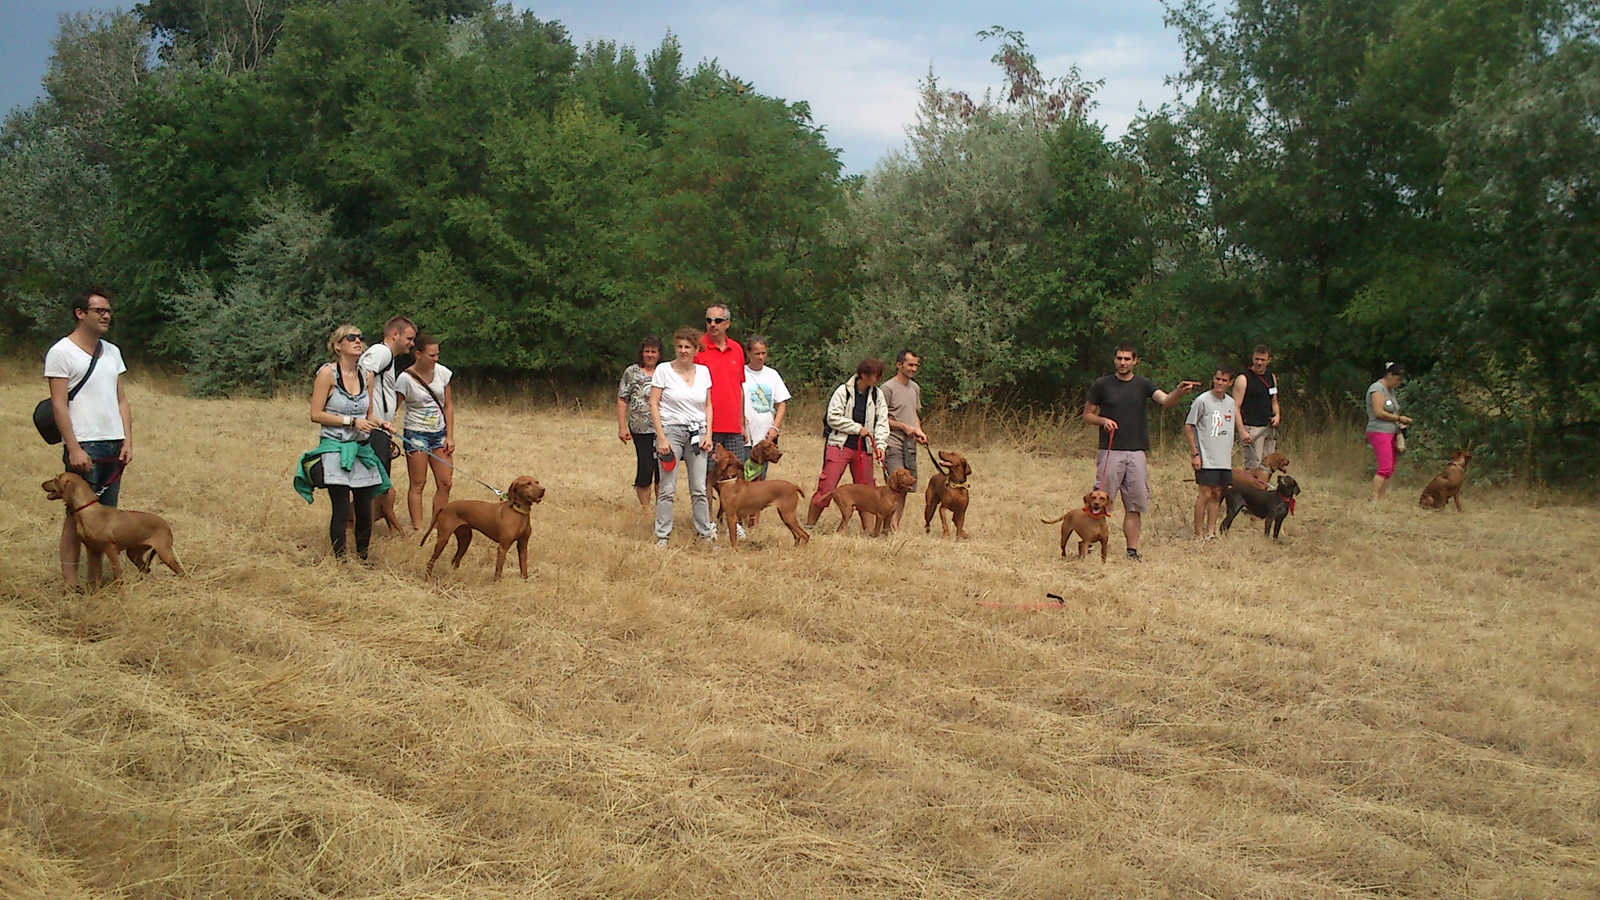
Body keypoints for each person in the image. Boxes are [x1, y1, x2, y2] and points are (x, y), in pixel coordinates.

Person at [44, 288, 132, 589]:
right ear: (80, 314)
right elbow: (58, 404)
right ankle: (71, 583)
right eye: (99, 311)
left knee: (104, 517)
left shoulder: (112, 351)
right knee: (76, 516)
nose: (106, 315)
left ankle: (96, 581)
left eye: (108, 310)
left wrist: (127, 440)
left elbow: (121, 400)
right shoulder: (61, 352)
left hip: (113, 442)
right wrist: (74, 447)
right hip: (84, 445)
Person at [1082, 343, 1201, 561]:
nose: (1123, 362)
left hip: (1137, 451)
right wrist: (1103, 420)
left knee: (1135, 504)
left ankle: (1132, 550)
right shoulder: (1102, 384)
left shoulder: (1143, 384)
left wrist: (1179, 391)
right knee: (1098, 502)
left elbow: (1165, 401)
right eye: (1119, 358)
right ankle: (1089, 543)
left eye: (1127, 359)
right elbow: (1087, 415)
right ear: (1114, 359)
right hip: (1111, 451)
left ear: (1135, 361)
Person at [302, 324, 391, 560]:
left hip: (361, 448)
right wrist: (350, 421)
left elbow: (369, 412)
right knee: (341, 507)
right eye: (351, 337)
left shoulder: (367, 375)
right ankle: (340, 560)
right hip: (335, 448)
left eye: (361, 337)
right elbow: (316, 414)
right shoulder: (327, 374)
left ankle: (363, 557)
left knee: (364, 507)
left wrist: (381, 424)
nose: (358, 341)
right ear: (337, 345)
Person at [650, 328, 715, 548]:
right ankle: (662, 535)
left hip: (697, 433)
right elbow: (654, 404)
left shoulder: (704, 372)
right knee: (667, 487)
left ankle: (705, 533)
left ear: (696, 349)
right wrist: (661, 438)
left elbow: (707, 405)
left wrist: (709, 434)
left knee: (699, 487)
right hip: (671, 431)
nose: (683, 351)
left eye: (688, 347)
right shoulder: (663, 370)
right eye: (679, 346)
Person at [806, 358, 890, 528]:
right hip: (840, 445)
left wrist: (880, 445)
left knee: (867, 489)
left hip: (864, 448)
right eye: (876, 376)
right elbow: (833, 418)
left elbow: (882, 421)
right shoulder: (843, 391)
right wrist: (856, 428)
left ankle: (868, 531)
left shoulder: (877, 395)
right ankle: (810, 524)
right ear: (864, 375)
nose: (878, 379)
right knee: (827, 485)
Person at [358, 315, 416, 533]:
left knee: (379, 483)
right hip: (374, 429)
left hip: (380, 428)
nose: (412, 343)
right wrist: (369, 410)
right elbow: (366, 372)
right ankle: (357, 527)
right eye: (409, 338)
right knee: (375, 484)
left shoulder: (388, 357)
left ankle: (366, 526)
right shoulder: (381, 352)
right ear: (395, 334)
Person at [396, 334, 455, 529]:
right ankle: (418, 528)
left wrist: (450, 435)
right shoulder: (405, 379)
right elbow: (394, 407)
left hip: (439, 433)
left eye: (437, 354)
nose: (436, 359)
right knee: (418, 482)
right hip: (416, 433)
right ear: (418, 354)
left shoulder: (443, 373)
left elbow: (448, 405)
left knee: (445, 482)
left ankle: (438, 524)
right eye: (431, 355)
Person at [1186, 364, 1241, 539]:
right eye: (1217, 379)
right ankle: (1199, 533)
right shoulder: (1202, 401)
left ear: (1230, 383)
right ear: (1213, 379)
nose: (1220, 383)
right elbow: (1189, 426)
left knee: (1218, 493)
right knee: (1205, 493)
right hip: (1205, 456)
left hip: (1223, 458)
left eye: (1224, 380)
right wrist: (1195, 453)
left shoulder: (1231, 403)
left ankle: (1211, 532)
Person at [617, 335, 664, 513]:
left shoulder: (665, 371)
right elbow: (622, 399)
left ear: (659, 354)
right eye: (647, 351)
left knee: (662, 467)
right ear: (641, 353)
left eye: (654, 351)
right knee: (646, 466)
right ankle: (646, 508)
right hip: (640, 427)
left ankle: (662, 506)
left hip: (664, 426)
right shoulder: (632, 372)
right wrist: (622, 427)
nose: (650, 355)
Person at [741, 334, 791, 479]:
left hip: (765, 435)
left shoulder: (772, 374)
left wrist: (775, 427)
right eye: (757, 353)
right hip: (746, 436)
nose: (760, 357)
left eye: (763, 353)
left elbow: (782, 403)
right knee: (744, 477)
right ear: (748, 353)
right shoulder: (741, 373)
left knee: (760, 478)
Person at [1366, 362, 1412, 501]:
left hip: (1391, 432)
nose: (1399, 383)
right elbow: (1378, 412)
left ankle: (1381, 497)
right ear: (1390, 374)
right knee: (1385, 467)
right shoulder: (1377, 388)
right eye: (1398, 379)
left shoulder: (1390, 392)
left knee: (1390, 468)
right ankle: (1373, 498)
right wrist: (1399, 418)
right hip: (1379, 431)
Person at [882, 349, 928, 487]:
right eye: (910, 365)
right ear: (899, 365)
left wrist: (918, 430)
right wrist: (902, 426)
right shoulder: (887, 388)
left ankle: (900, 511)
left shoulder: (915, 388)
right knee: (895, 488)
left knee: (907, 487)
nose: (913, 369)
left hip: (910, 446)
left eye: (916, 365)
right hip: (893, 445)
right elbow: (879, 419)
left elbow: (913, 413)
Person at [1231, 344, 1277, 472]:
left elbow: (1274, 401)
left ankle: (1263, 491)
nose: (1259, 362)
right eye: (1257, 359)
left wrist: (1277, 415)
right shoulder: (1243, 378)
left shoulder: (1271, 377)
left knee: (1267, 467)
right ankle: (1249, 491)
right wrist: (1242, 431)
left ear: (1269, 360)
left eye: (1262, 360)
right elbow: (1235, 406)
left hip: (1268, 427)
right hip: (1252, 428)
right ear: (1253, 358)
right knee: (1253, 468)